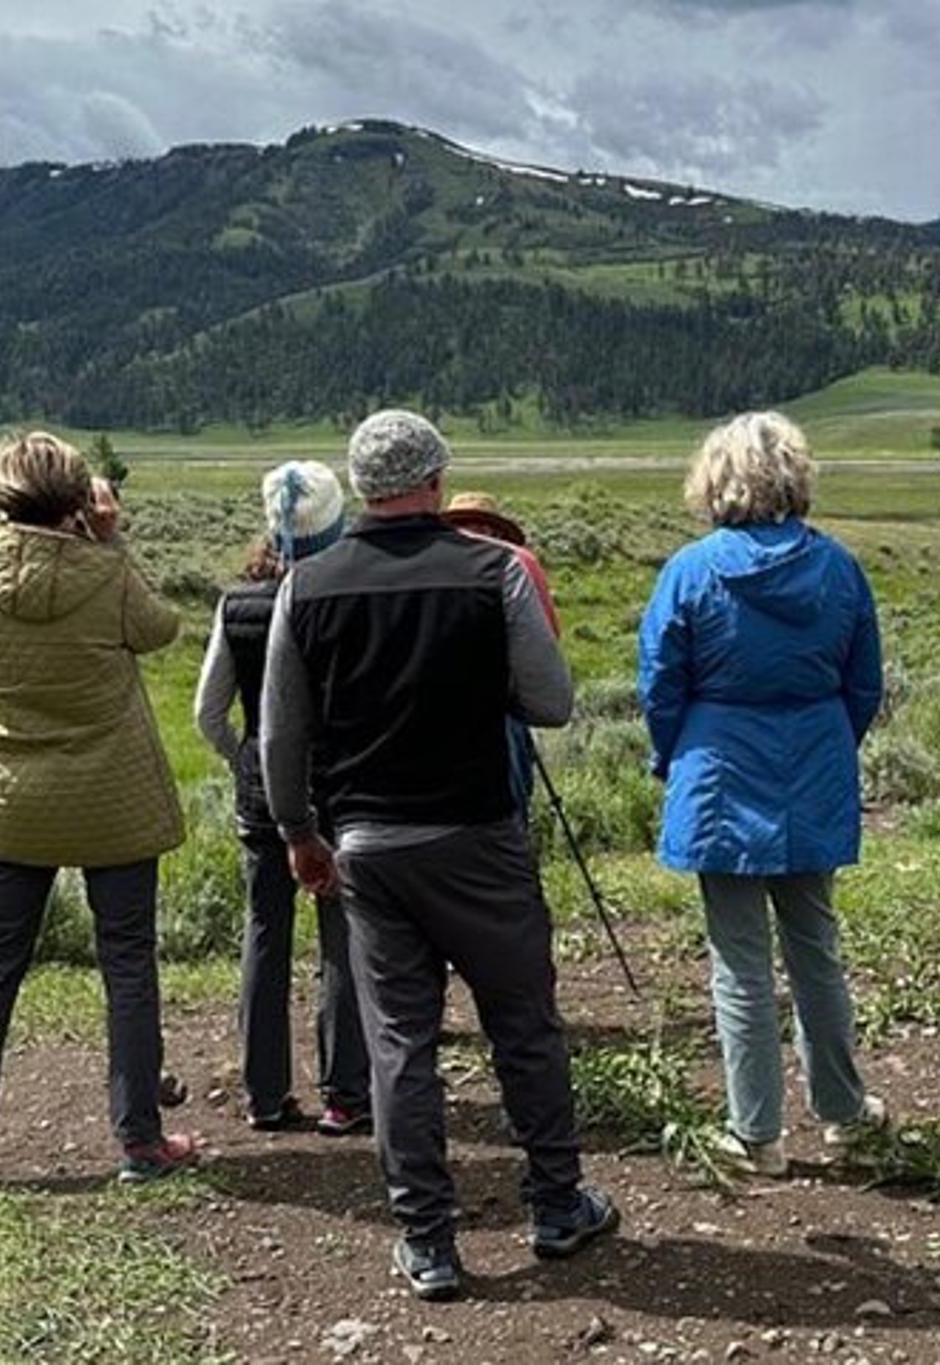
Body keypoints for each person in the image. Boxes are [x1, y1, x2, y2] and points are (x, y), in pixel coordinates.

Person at [261, 410, 618, 1301]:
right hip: (478, 835)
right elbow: (551, 701)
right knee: (524, 1024)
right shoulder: (493, 570)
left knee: (399, 1044)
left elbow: (280, 735)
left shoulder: (306, 587)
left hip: (366, 848)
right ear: (435, 477)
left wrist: (300, 833)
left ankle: (428, 1240)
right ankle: (556, 1203)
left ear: (362, 487)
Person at [0, 431, 198, 1190]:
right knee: (128, 964)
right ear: (83, 499)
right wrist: (111, 543)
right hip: (113, 797)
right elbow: (162, 629)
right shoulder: (106, 574)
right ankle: (140, 1142)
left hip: (10, 799)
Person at [637, 411, 886, 1178]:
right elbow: (863, 683)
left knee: (738, 961)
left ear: (716, 479)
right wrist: (825, 743)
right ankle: (844, 1113)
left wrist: (672, 755)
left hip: (718, 768)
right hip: (811, 759)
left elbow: (659, 682)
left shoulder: (690, 569)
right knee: (817, 948)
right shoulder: (838, 567)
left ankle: (757, 1132)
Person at [195, 461, 371, 1136]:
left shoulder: (236, 601)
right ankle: (345, 1093)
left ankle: (264, 1093)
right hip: (338, 792)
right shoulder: (345, 597)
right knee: (343, 939)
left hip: (261, 798)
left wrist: (247, 759)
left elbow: (209, 712)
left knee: (263, 934)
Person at [443, 490, 557, 812]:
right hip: (504, 706)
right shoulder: (521, 562)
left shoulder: (428, 561)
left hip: (434, 706)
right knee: (509, 806)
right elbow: (548, 639)